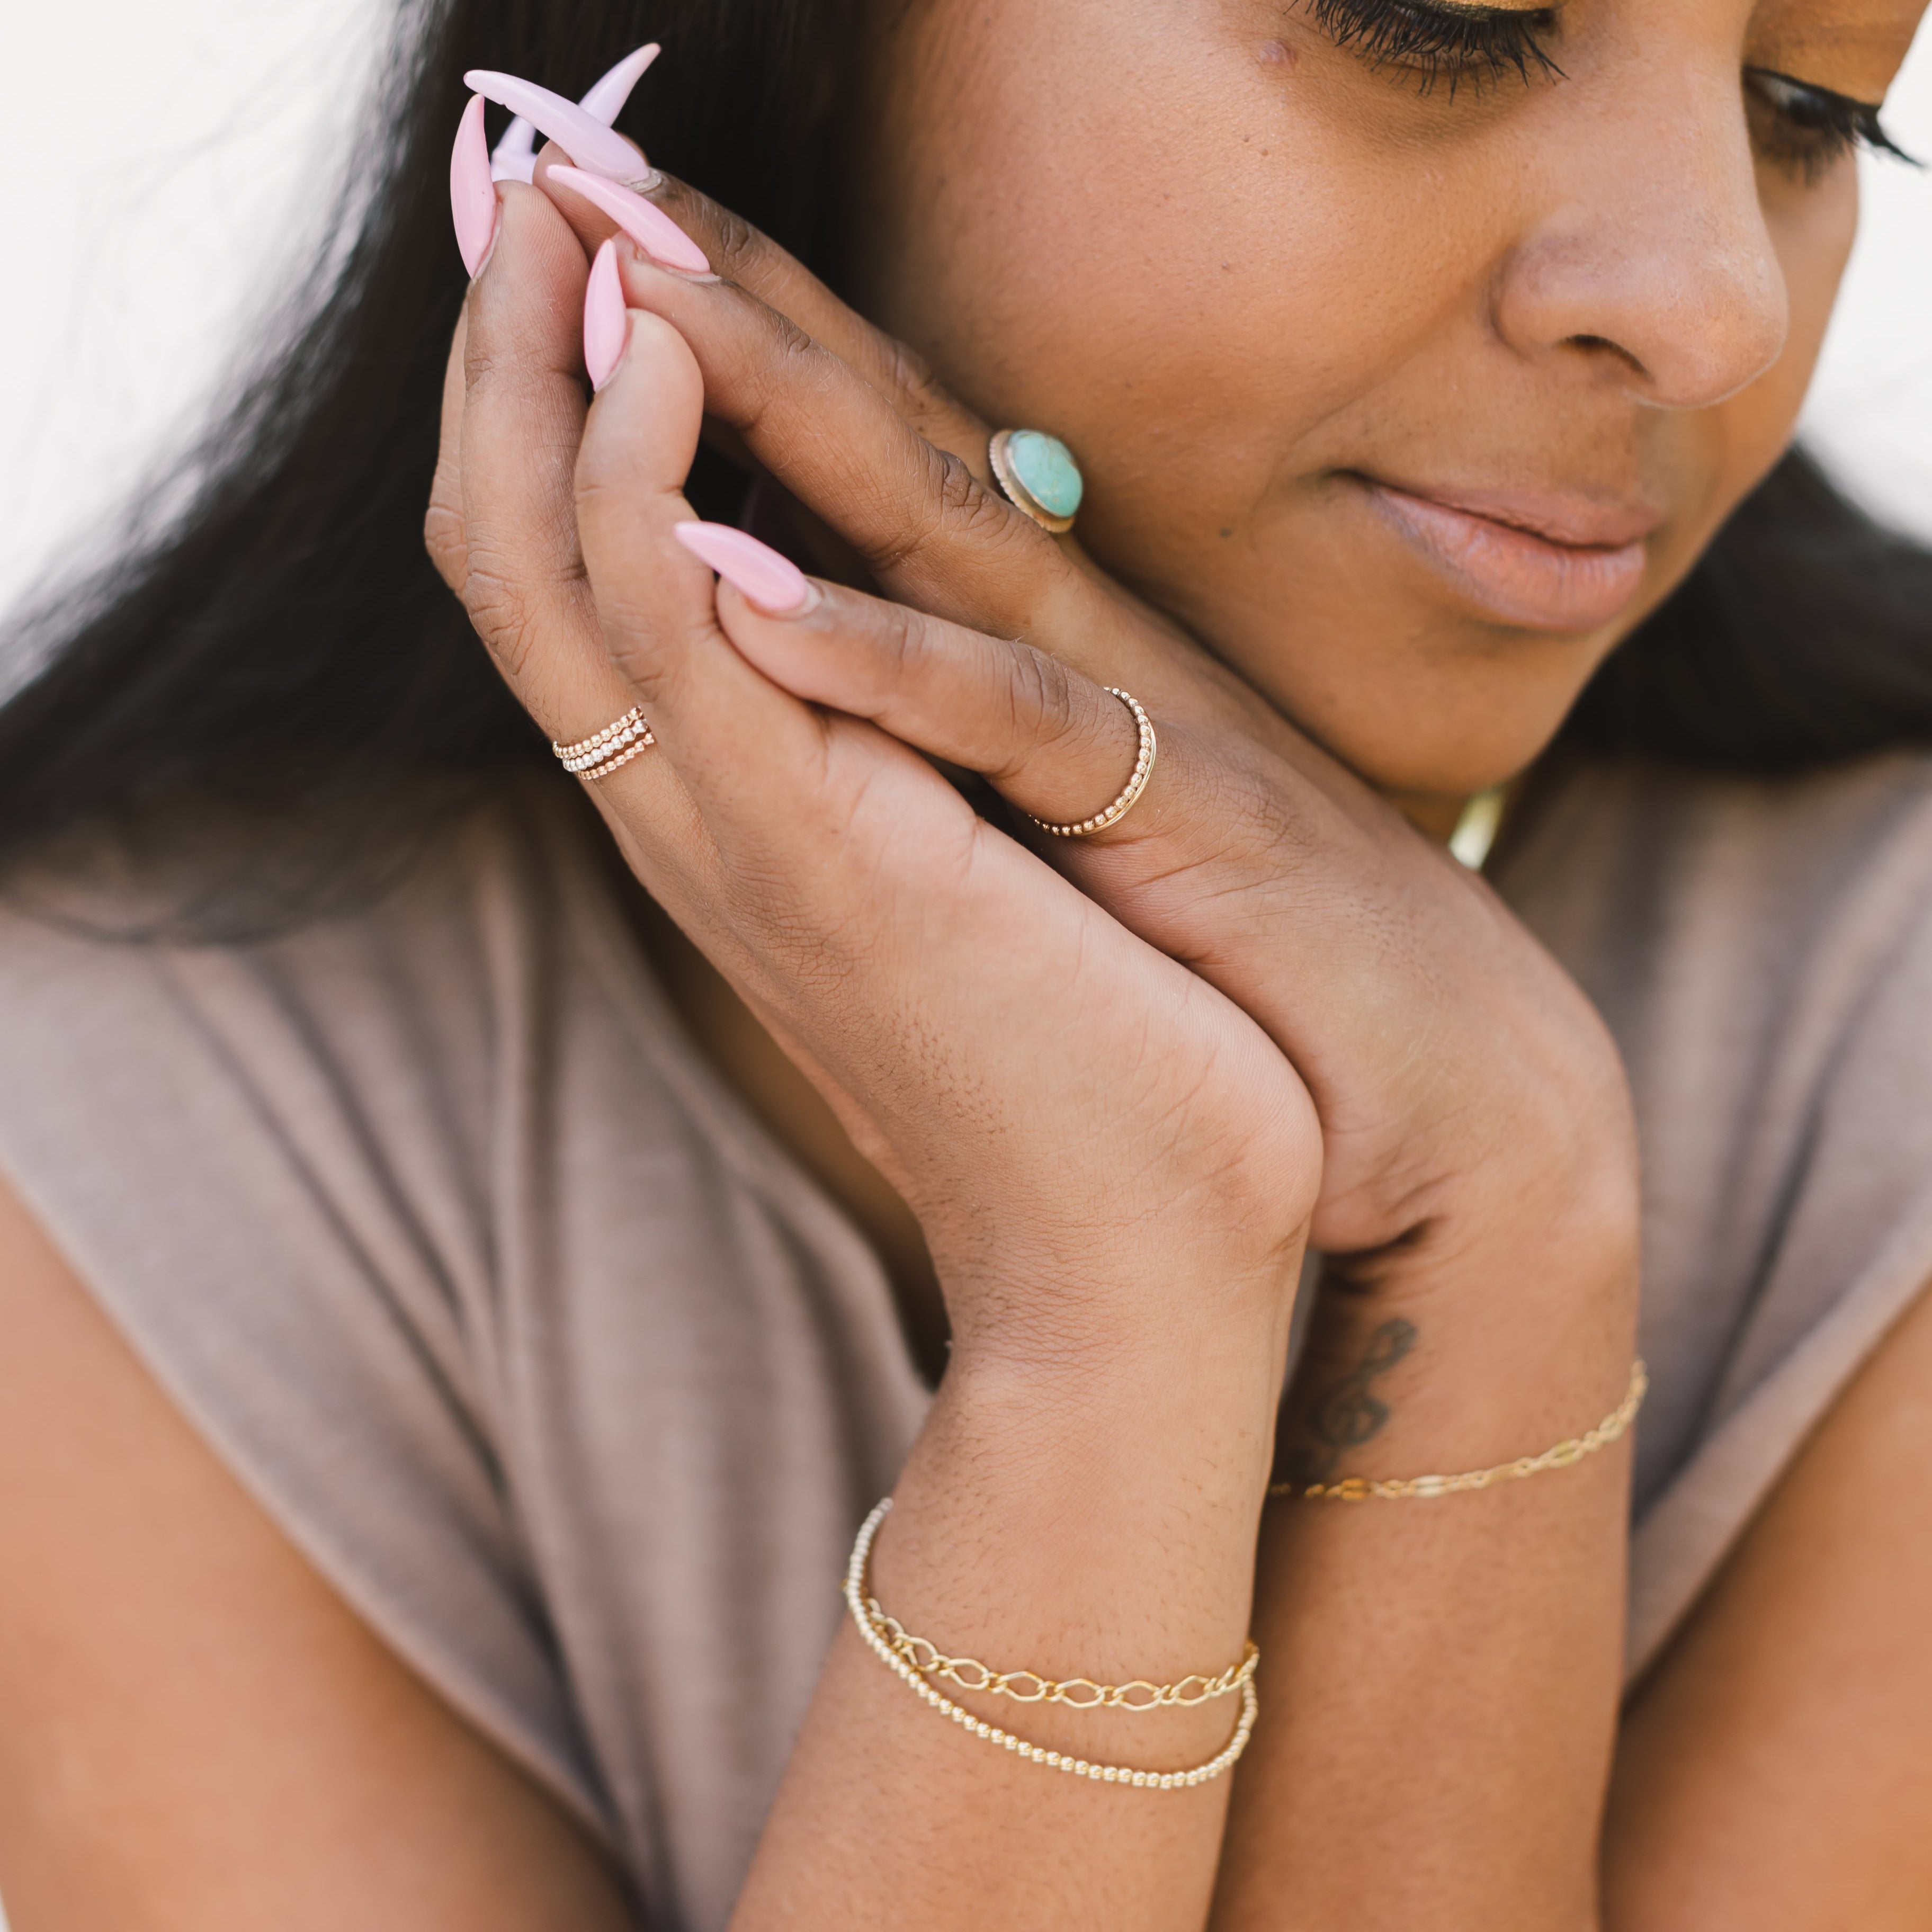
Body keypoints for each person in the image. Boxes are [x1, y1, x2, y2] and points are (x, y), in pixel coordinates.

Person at [1, 0, 1930, 1924]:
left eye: (1812, 106)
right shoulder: (116, 1150)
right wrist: (1122, 1306)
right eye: (1440, 22)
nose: (1716, 305)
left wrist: (1509, 1211)